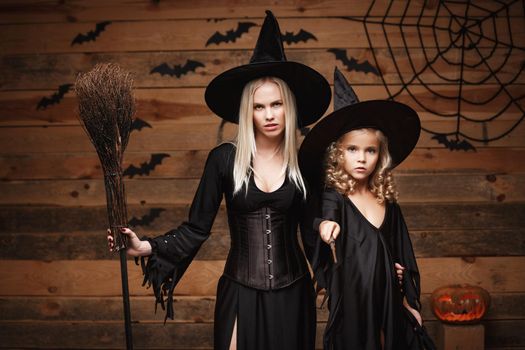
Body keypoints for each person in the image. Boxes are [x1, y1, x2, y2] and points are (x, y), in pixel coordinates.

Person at [108, 11, 331, 350]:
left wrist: (363, 266)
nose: (269, 115)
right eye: (259, 107)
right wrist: (145, 247)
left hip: (294, 291)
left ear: (290, 107)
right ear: (247, 111)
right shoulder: (224, 159)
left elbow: (314, 231)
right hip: (240, 288)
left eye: (276, 104)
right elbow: (197, 227)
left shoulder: (304, 164)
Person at [299, 68, 436, 350]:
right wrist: (324, 227)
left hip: (389, 304)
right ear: (338, 153)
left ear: (380, 155)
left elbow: (401, 255)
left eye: (369, 150)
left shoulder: (388, 203)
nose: (361, 158)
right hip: (353, 308)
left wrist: (406, 300)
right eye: (352, 149)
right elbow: (322, 221)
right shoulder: (334, 198)